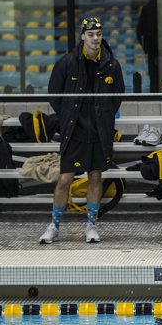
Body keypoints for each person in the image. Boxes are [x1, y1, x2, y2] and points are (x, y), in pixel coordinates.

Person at [40, 17, 124, 244]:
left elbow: (117, 97)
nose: (95, 38)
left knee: (95, 176)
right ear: (82, 36)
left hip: (99, 131)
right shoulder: (67, 62)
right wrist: (69, 116)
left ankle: (91, 225)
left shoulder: (111, 64)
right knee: (65, 178)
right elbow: (54, 94)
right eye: (90, 34)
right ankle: (54, 226)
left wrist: (103, 116)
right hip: (74, 130)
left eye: (98, 34)